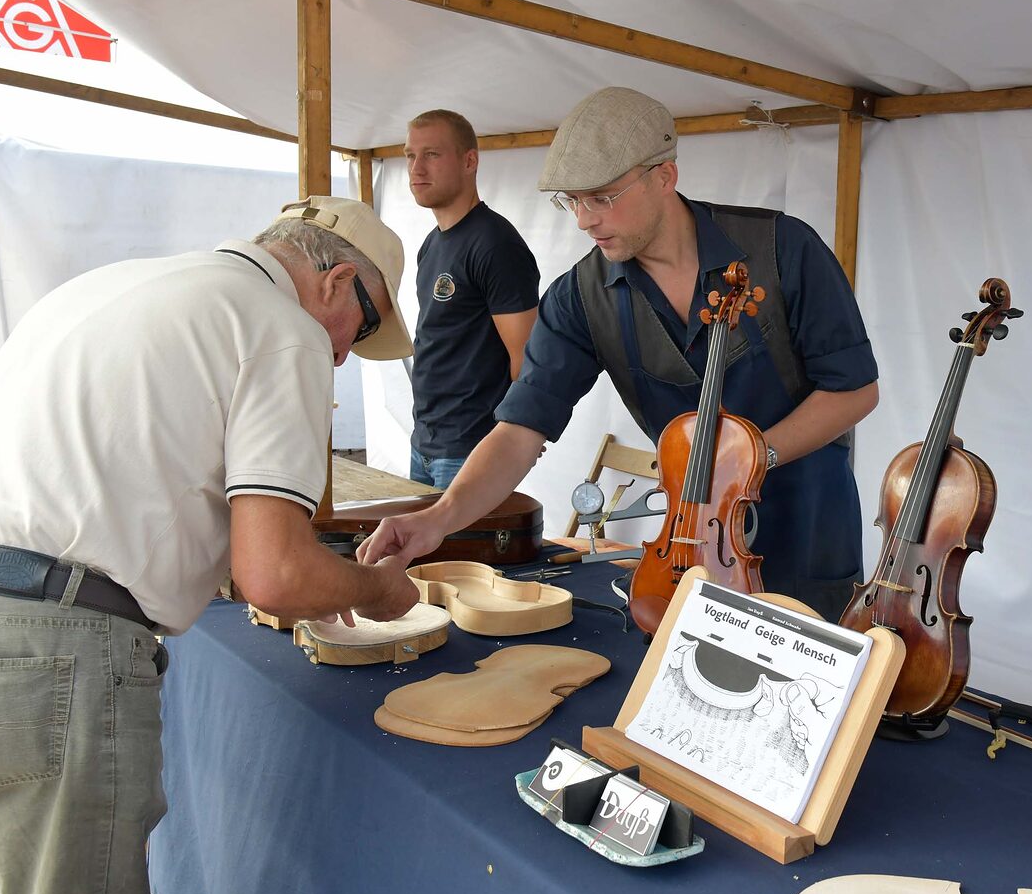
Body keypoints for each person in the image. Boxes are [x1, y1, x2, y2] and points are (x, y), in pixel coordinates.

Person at [0, 196, 421, 894]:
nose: (342, 353)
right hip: (50, 647)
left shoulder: (116, 283)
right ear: (336, 283)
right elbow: (274, 574)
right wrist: (376, 592)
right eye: (359, 330)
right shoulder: (285, 329)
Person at [363, 87, 879, 620]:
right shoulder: (579, 297)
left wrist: (747, 461)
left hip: (810, 528)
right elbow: (519, 429)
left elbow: (855, 389)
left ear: (664, 176)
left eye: (602, 197)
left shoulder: (783, 248)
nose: (584, 220)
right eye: (572, 201)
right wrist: (440, 517)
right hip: (688, 548)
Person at [404, 109, 540, 487]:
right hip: (426, 443)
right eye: (410, 155)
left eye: (431, 154)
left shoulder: (495, 244)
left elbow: (527, 355)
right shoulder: (432, 244)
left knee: (460, 549)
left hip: (471, 449)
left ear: (469, 161)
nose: (416, 169)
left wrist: (520, 432)